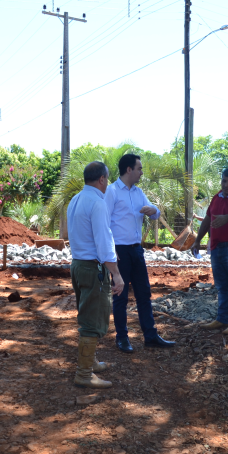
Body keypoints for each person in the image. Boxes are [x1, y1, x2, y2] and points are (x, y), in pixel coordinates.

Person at [104, 153, 175, 353]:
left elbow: (155, 213)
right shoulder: (111, 192)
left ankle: (150, 336)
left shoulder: (138, 192)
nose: (141, 172)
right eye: (139, 168)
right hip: (120, 251)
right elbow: (104, 223)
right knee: (121, 295)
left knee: (144, 293)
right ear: (129, 170)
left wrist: (153, 210)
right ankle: (122, 337)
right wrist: (110, 251)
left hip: (137, 250)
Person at [67, 161, 125, 388]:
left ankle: (90, 363)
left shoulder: (76, 199)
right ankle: (84, 374)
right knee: (92, 322)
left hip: (78, 265)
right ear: (102, 179)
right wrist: (116, 274)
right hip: (92, 269)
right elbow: (103, 243)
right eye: (107, 179)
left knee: (87, 315)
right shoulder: (98, 203)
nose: (107, 183)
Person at [190, 167, 228, 335]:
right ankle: (222, 319)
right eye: (224, 181)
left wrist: (227, 218)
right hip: (216, 248)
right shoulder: (216, 198)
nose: (226, 185)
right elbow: (208, 219)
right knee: (222, 286)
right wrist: (197, 240)